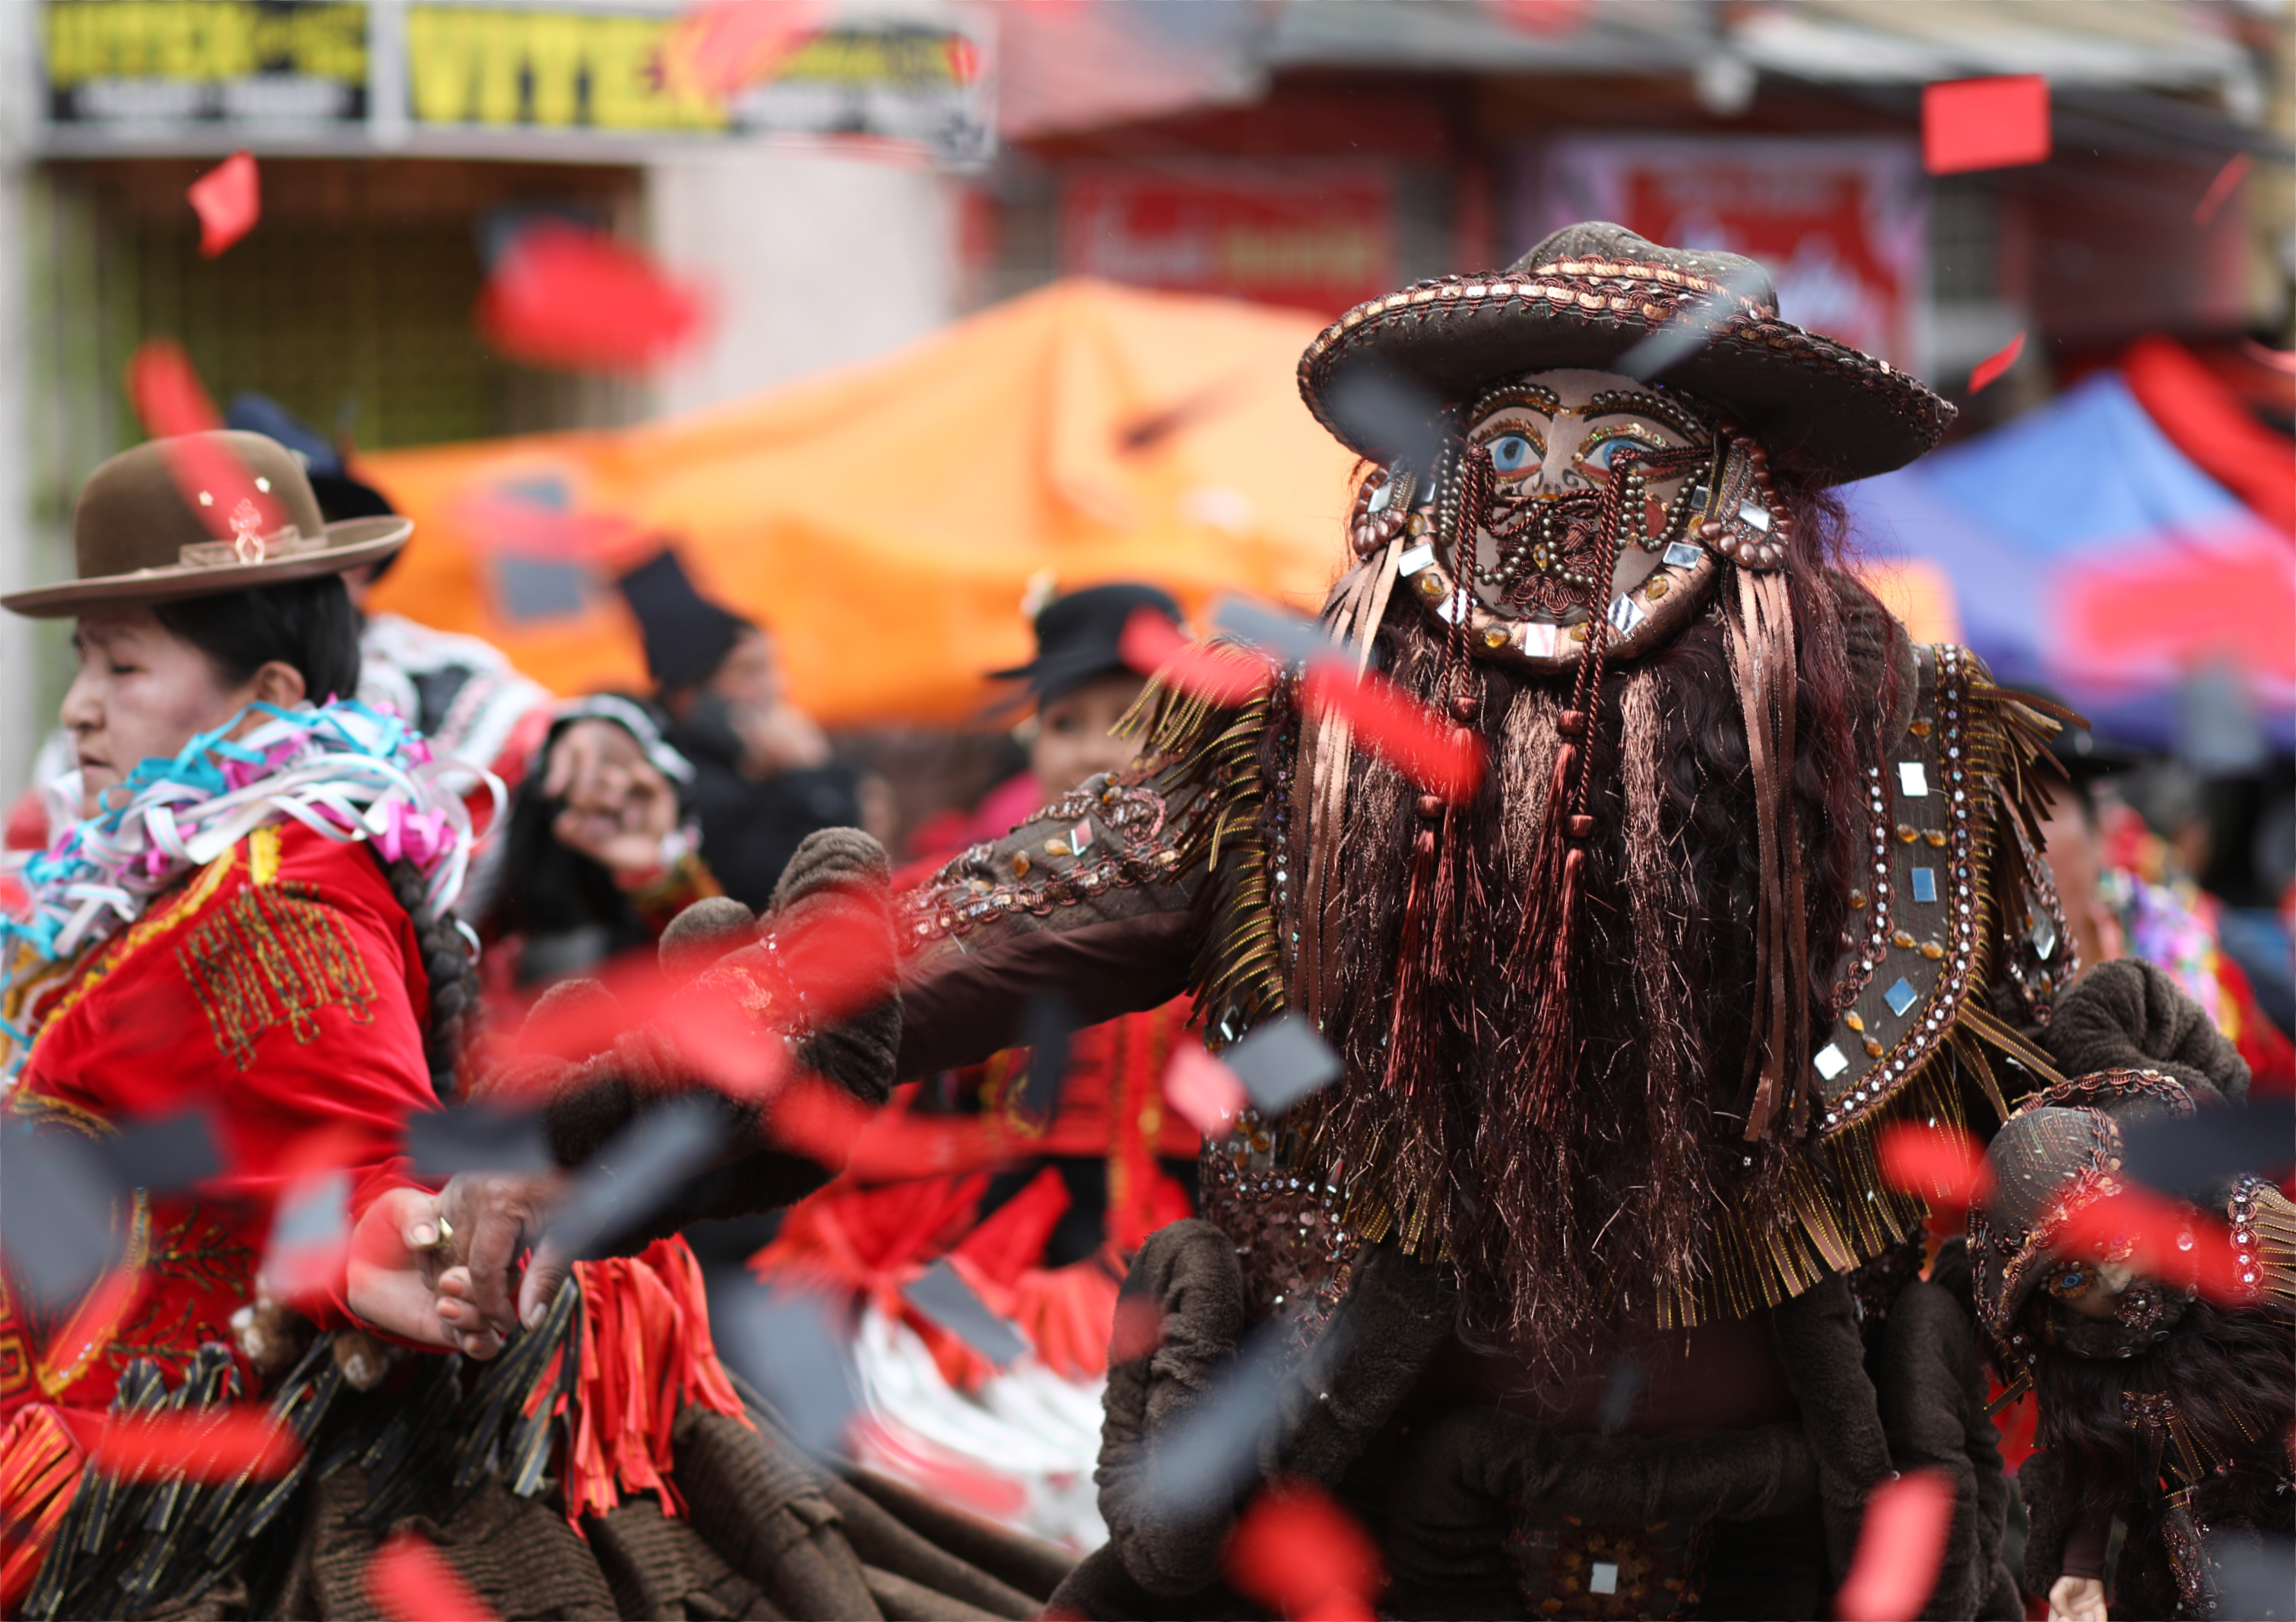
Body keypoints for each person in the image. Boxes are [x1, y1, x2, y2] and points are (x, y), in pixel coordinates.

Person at [882, 224, 2247, 1617]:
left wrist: (2103, 1195)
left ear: (1739, 494)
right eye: (1511, 449)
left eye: (1627, 452)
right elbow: (1007, 926)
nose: (1557, 501)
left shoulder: (1907, 744)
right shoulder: (1284, 740)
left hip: (1807, 1522)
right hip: (1355, 1498)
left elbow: (2026, 1085)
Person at [0, 432, 1066, 1620]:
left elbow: (363, 1159)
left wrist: (392, 1247)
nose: (82, 711)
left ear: (269, 697)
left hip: (136, 1504)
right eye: (83, 664)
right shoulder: (194, 880)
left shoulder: (271, 893)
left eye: (123, 668)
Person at [754, 582, 1201, 1549]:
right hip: (970, 1238)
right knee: (943, 1438)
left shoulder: (1241, 919)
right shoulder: (952, 899)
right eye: (1064, 721)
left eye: (1126, 722)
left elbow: (1286, 1085)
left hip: (1167, 1249)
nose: (1090, 749)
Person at [1971, 1071, 2292, 1621]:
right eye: (2073, 1278)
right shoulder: (2075, 1357)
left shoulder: (2244, 1238)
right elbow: (2097, 1472)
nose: (2113, 1277)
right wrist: (2080, 1569)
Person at [614, 546, 867, 911]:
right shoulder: (686, 785)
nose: (774, 688)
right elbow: (795, 889)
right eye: (749, 671)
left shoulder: (746, 764)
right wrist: (810, 775)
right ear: (688, 696)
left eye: (773, 667)